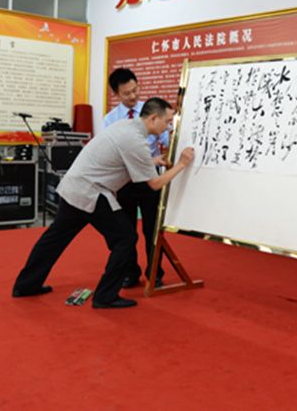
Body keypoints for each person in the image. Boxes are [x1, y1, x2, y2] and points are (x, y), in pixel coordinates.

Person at [12, 98, 194, 308]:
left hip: (74, 186)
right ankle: (105, 296)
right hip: (90, 191)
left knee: (54, 238)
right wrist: (182, 164)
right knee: (125, 238)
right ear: (153, 118)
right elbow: (154, 184)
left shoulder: (126, 127)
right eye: (168, 121)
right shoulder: (135, 140)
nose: (169, 127)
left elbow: (122, 156)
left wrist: (151, 161)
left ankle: (26, 285)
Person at [104, 68, 170, 288]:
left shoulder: (151, 111)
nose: (133, 96)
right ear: (116, 94)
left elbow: (167, 140)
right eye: (126, 93)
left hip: (150, 180)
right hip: (124, 182)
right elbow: (113, 152)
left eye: (135, 90)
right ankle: (129, 272)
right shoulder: (110, 120)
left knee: (152, 229)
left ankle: (155, 272)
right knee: (126, 231)